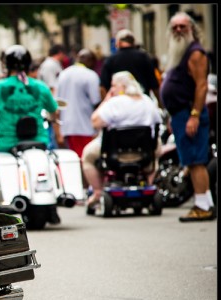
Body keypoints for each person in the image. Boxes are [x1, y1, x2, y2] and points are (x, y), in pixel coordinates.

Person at [0, 44, 59, 219]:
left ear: (6, 65)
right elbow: (54, 111)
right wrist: (52, 118)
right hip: (39, 141)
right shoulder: (40, 87)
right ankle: (53, 207)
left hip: (7, 143)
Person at [160, 11, 215, 222]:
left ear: (192, 28)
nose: (178, 30)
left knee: (195, 161)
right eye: (174, 27)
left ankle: (202, 206)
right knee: (192, 161)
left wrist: (194, 115)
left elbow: (201, 86)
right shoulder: (181, 52)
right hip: (180, 114)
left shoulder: (195, 53)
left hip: (189, 113)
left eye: (183, 26)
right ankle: (207, 203)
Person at [82, 71, 162, 209]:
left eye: (114, 86)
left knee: (87, 156)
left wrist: (106, 99)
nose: (111, 89)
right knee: (157, 151)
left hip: (114, 151)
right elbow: (157, 122)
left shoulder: (114, 103)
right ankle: (149, 182)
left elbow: (95, 122)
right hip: (144, 152)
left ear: (122, 87)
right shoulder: (147, 101)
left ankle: (97, 192)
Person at [55, 48, 102, 160]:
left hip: (67, 127)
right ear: (91, 62)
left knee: (73, 160)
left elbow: (57, 103)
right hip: (85, 126)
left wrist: (57, 130)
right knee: (86, 159)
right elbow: (96, 101)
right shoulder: (90, 75)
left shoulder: (63, 74)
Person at [99, 29, 161, 106]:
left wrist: (106, 105)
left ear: (118, 43)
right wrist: (160, 104)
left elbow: (102, 87)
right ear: (133, 43)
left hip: (119, 105)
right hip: (141, 103)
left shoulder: (111, 59)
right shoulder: (144, 57)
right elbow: (154, 84)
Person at [37, 44, 65, 149]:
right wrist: (54, 107)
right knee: (52, 135)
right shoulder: (50, 65)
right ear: (60, 53)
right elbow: (51, 87)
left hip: (51, 105)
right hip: (51, 106)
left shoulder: (51, 64)